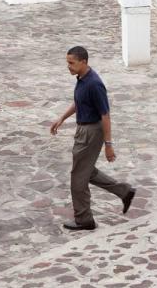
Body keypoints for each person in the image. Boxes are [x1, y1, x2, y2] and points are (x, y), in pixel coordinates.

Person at [50, 46, 135, 231]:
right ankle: (124, 191)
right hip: (83, 130)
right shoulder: (81, 78)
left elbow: (105, 115)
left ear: (84, 62)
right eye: (67, 62)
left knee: (77, 178)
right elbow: (79, 102)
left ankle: (84, 219)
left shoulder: (94, 84)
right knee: (87, 171)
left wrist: (108, 145)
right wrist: (62, 118)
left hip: (90, 133)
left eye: (71, 63)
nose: (68, 66)